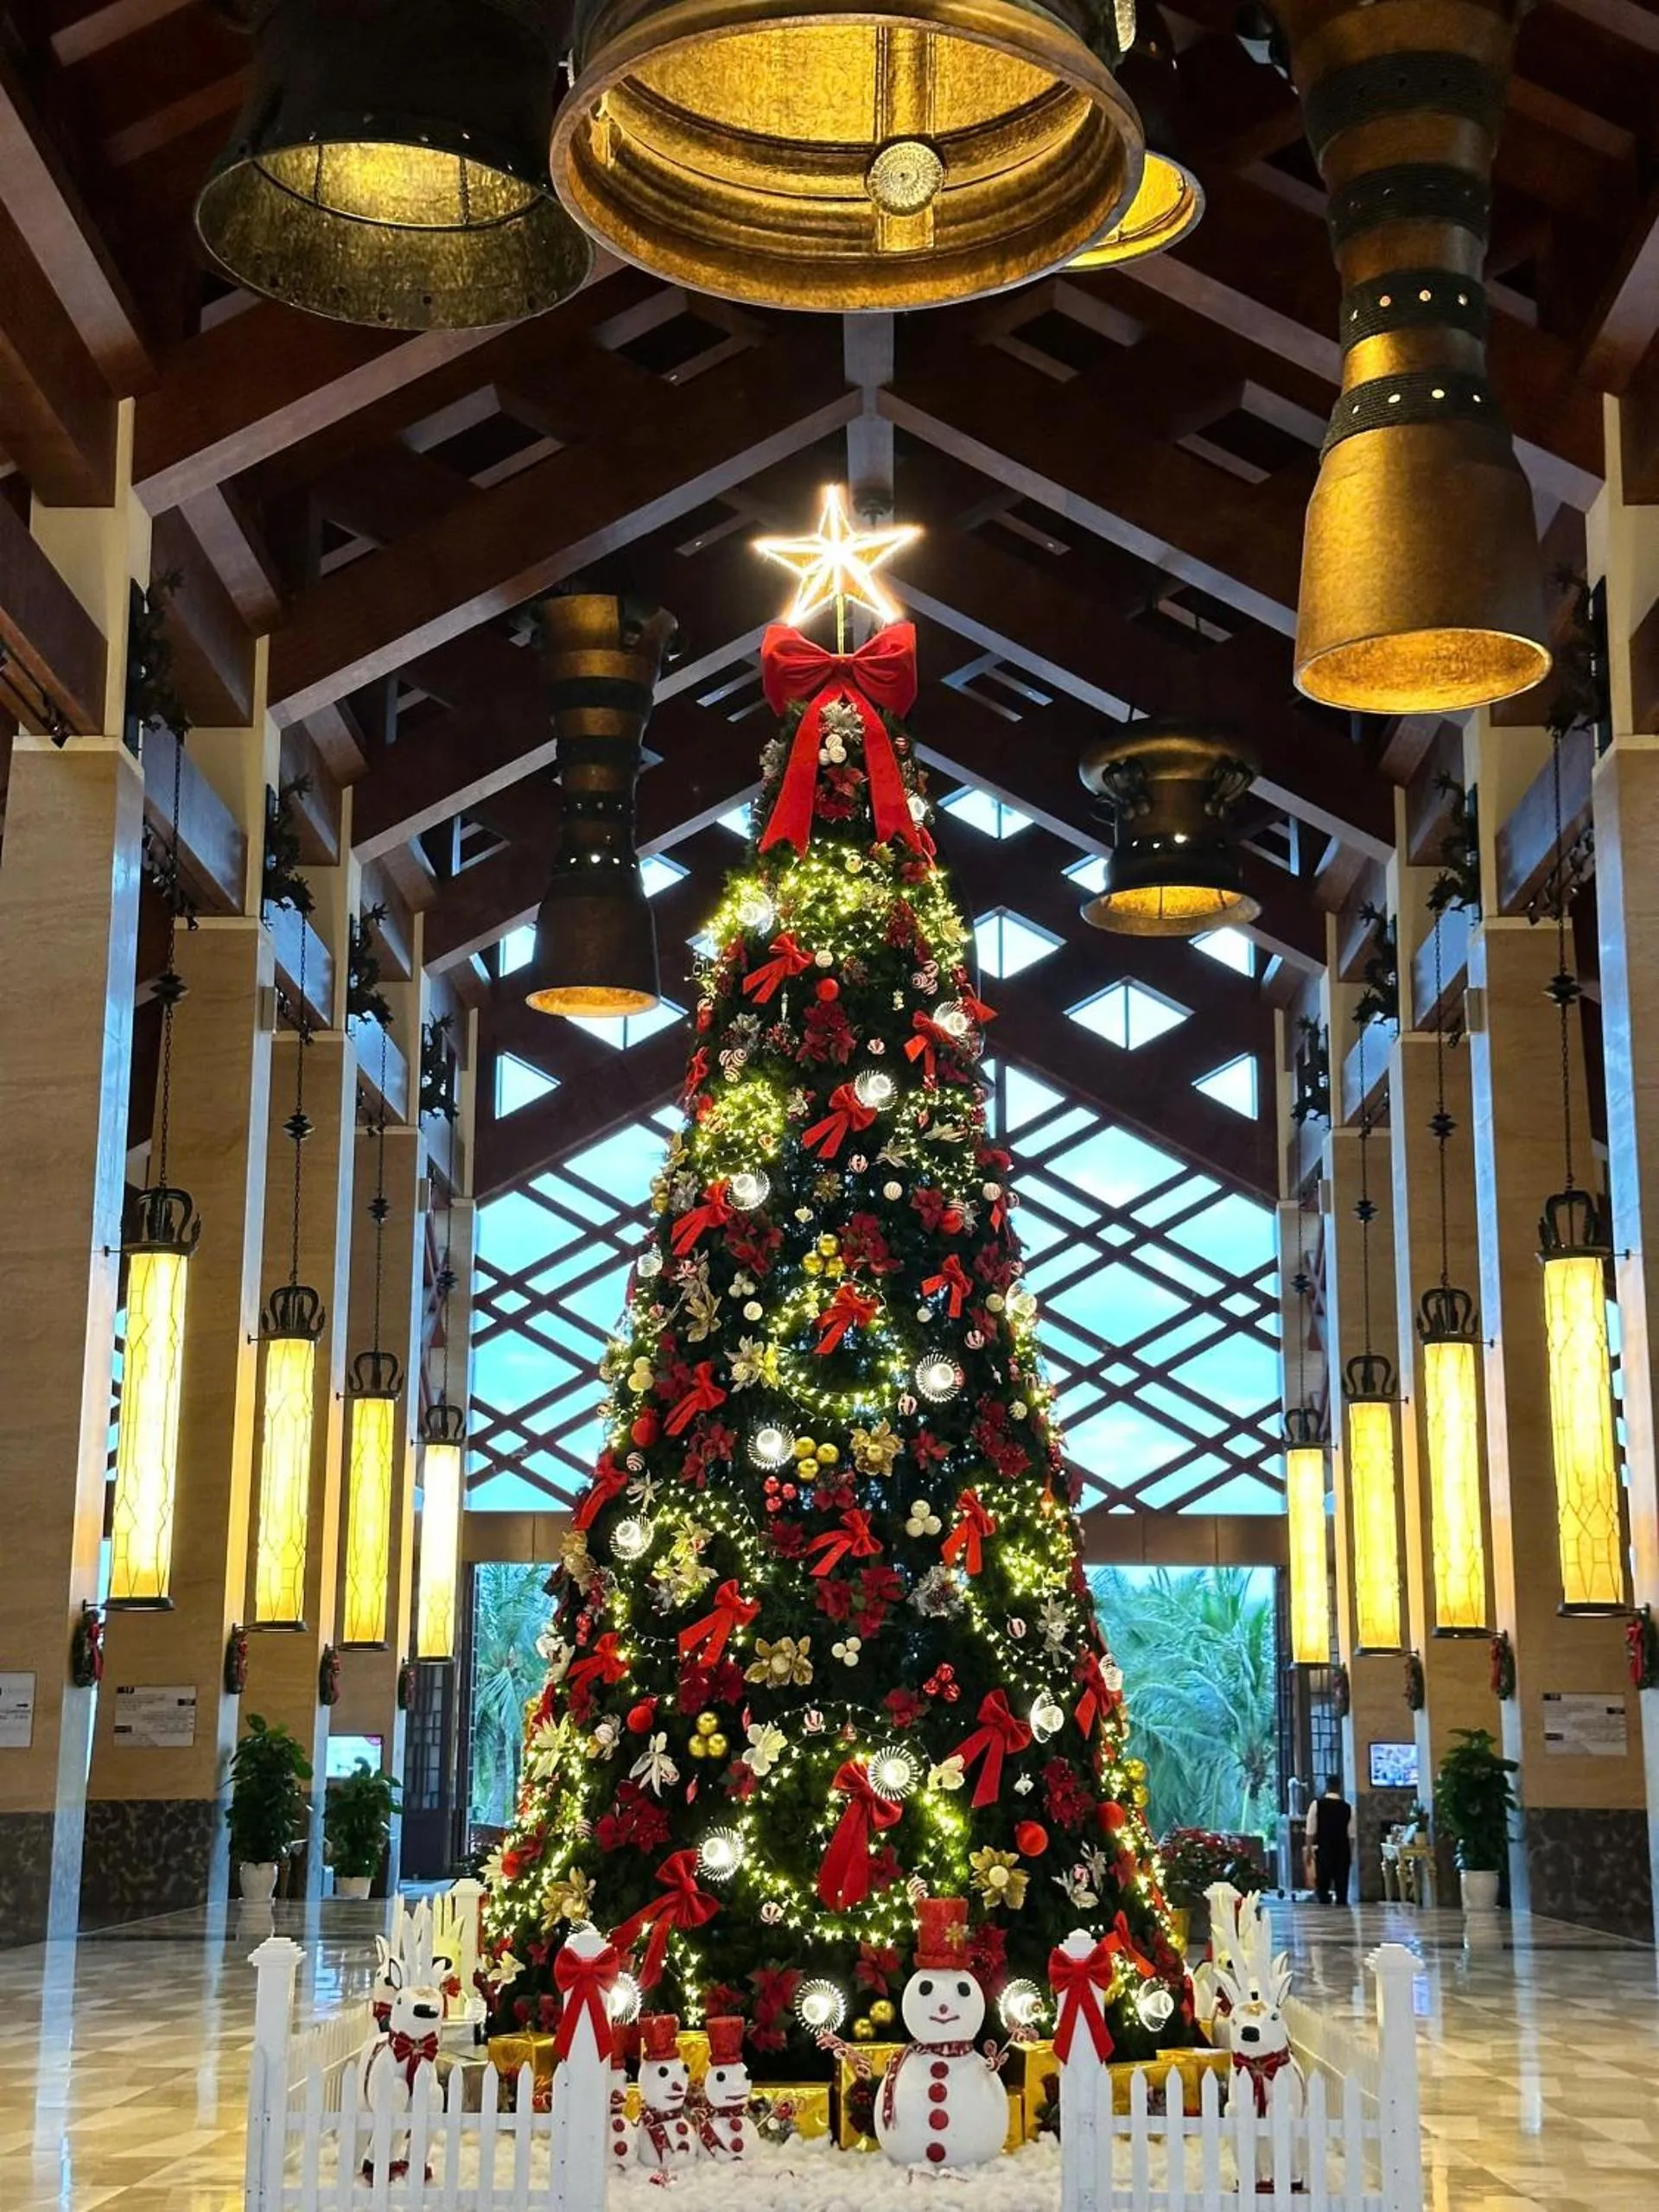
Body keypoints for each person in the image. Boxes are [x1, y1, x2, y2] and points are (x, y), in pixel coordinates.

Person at [1305, 1774, 1353, 1904]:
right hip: (1342, 1851)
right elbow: (1351, 1835)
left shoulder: (1317, 1805)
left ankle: (1325, 1908)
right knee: (1342, 1889)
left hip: (1324, 1850)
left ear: (1327, 1786)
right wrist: (1351, 1854)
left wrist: (1309, 1850)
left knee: (1323, 1887)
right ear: (1339, 1787)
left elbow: (1310, 1831)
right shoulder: (1348, 1807)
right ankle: (1343, 1913)